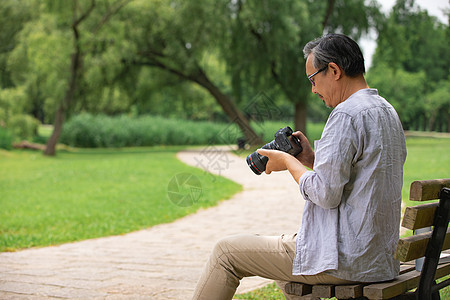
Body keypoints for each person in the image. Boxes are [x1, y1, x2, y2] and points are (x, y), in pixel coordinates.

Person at [192, 33, 407, 300]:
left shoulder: (345, 115)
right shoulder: (386, 111)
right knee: (286, 267)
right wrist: (311, 160)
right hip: (378, 256)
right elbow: (363, 177)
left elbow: (326, 195)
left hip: (346, 259)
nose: (313, 90)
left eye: (313, 80)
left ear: (334, 70)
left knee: (225, 253)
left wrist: (288, 161)